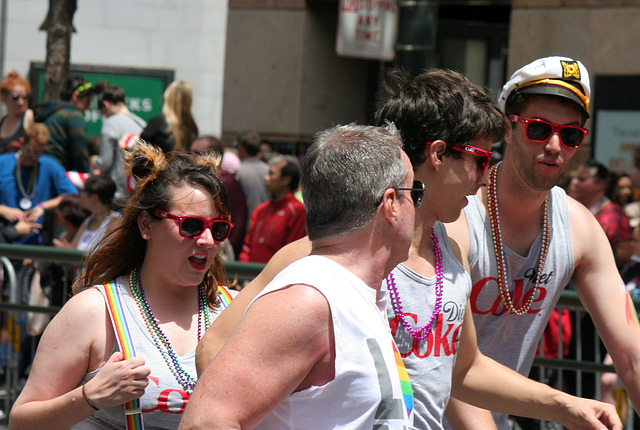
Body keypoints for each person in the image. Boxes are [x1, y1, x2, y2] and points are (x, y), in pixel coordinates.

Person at [194, 69, 622, 430]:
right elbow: (214, 353)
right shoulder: (325, 257)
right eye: (479, 158)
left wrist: (567, 406)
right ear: (437, 154)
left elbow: (464, 369)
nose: (484, 176)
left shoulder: (451, 252)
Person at [445, 55, 640, 429]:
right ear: (507, 127)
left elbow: (632, 358)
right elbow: (452, 364)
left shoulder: (580, 226)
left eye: (570, 135)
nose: (554, 145)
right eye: (539, 129)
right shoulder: (456, 212)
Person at [181, 123, 417, 429]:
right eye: (415, 192)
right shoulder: (309, 299)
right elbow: (205, 422)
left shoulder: (347, 292)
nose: (417, 205)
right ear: (390, 205)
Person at [9, 141, 236, 429]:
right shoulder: (93, 311)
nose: (207, 241)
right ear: (146, 225)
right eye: (190, 225)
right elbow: (20, 422)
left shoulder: (238, 312)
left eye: (217, 229)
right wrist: (89, 397)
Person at [0, 123, 78, 245]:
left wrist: (42, 207)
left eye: (40, 153)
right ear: (21, 143)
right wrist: (3, 210)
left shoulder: (48, 165)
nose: (35, 157)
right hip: (5, 240)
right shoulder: (3, 163)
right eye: (31, 152)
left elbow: (72, 195)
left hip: (36, 245)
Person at [239, 155, 306, 263]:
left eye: (271, 174)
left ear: (286, 180)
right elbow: (247, 246)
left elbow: (292, 253)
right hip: (250, 276)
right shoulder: (261, 209)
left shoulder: (297, 211)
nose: (266, 178)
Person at [191, 136, 248, 258]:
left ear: (214, 156)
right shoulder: (194, 180)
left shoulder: (227, 183)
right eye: (190, 152)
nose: (191, 158)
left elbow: (237, 223)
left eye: (197, 153)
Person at [92, 81, 147, 198]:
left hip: (117, 190)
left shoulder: (111, 123)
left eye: (103, 113)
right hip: (137, 190)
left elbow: (105, 162)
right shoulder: (141, 123)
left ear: (106, 105)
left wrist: (93, 162)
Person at [33, 76, 94, 173]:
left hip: (38, 169)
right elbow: (79, 154)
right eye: (88, 101)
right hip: (57, 172)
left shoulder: (50, 112)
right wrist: (89, 176)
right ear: (76, 96)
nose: (90, 106)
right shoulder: (74, 115)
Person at [53, 174, 120, 254]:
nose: (80, 195)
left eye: (83, 191)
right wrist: (65, 249)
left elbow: (108, 256)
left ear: (94, 198)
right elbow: (72, 253)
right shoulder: (88, 221)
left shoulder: (116, 222)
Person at [140, 80, 198, 153]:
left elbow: (139, 150)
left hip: (160, 163)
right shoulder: (192, 127)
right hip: (183, 164)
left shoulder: (157, 123)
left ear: (167, 98)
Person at [235, 130, 269, 218]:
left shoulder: (239, 172)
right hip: (267, 222)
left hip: (248, 224)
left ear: (241, 147)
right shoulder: (268, 169)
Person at [0, 71, 34, 153]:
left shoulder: (27, 116)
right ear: (5, 98)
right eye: (15, 98)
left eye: (24, 97)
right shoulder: (2, 120)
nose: (21, 102)